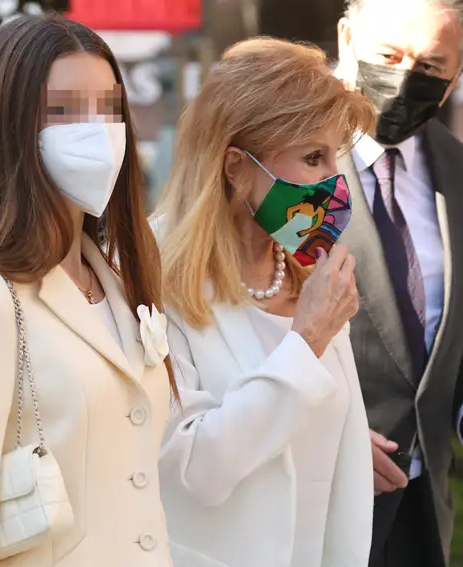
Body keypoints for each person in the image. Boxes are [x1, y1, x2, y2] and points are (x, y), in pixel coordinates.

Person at [0, 15, 178, 567]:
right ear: (10, 127)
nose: (97, 129)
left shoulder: (118, 280)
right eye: (65, 110)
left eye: (108, 107)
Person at [155, 38, 376, 567]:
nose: (334, 183)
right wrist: (307, 340)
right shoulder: (154, 273)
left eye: (335, 157)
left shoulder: (305, 268)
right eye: (312, 157)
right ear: (235, 165)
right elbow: (193, 468)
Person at [334, 1, 463, 565]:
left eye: (427, 68)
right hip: (311, 507)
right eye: (387, 56)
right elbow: (236, 320)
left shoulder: (457, 164)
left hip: (423, 509)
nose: (402, 78)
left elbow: (454, 324)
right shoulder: (280, 152)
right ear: (346, 39)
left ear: (461, 72)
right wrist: (324, 431)